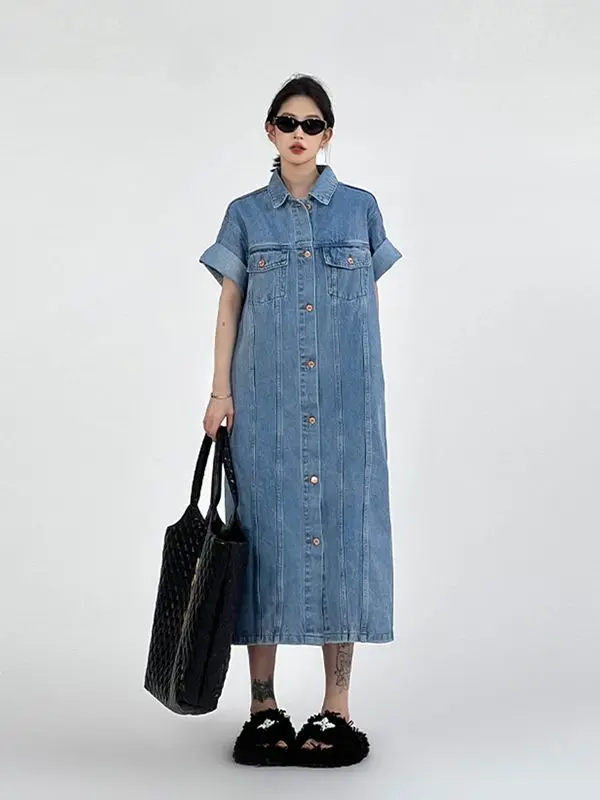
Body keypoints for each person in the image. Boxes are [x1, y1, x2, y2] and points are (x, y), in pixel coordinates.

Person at [199, 73, 403, 767]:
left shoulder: (360, 210)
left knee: (344, 546)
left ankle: (336, 710)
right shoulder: (244, 216)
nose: (299, 133)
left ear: (328, 134)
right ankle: (263, 708)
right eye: (287, 121)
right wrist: (220, 394)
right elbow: (229, 308)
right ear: (270, 130)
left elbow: (365, 313)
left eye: (312, 124)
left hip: (346, 414)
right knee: (259, 546)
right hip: (265, 413)